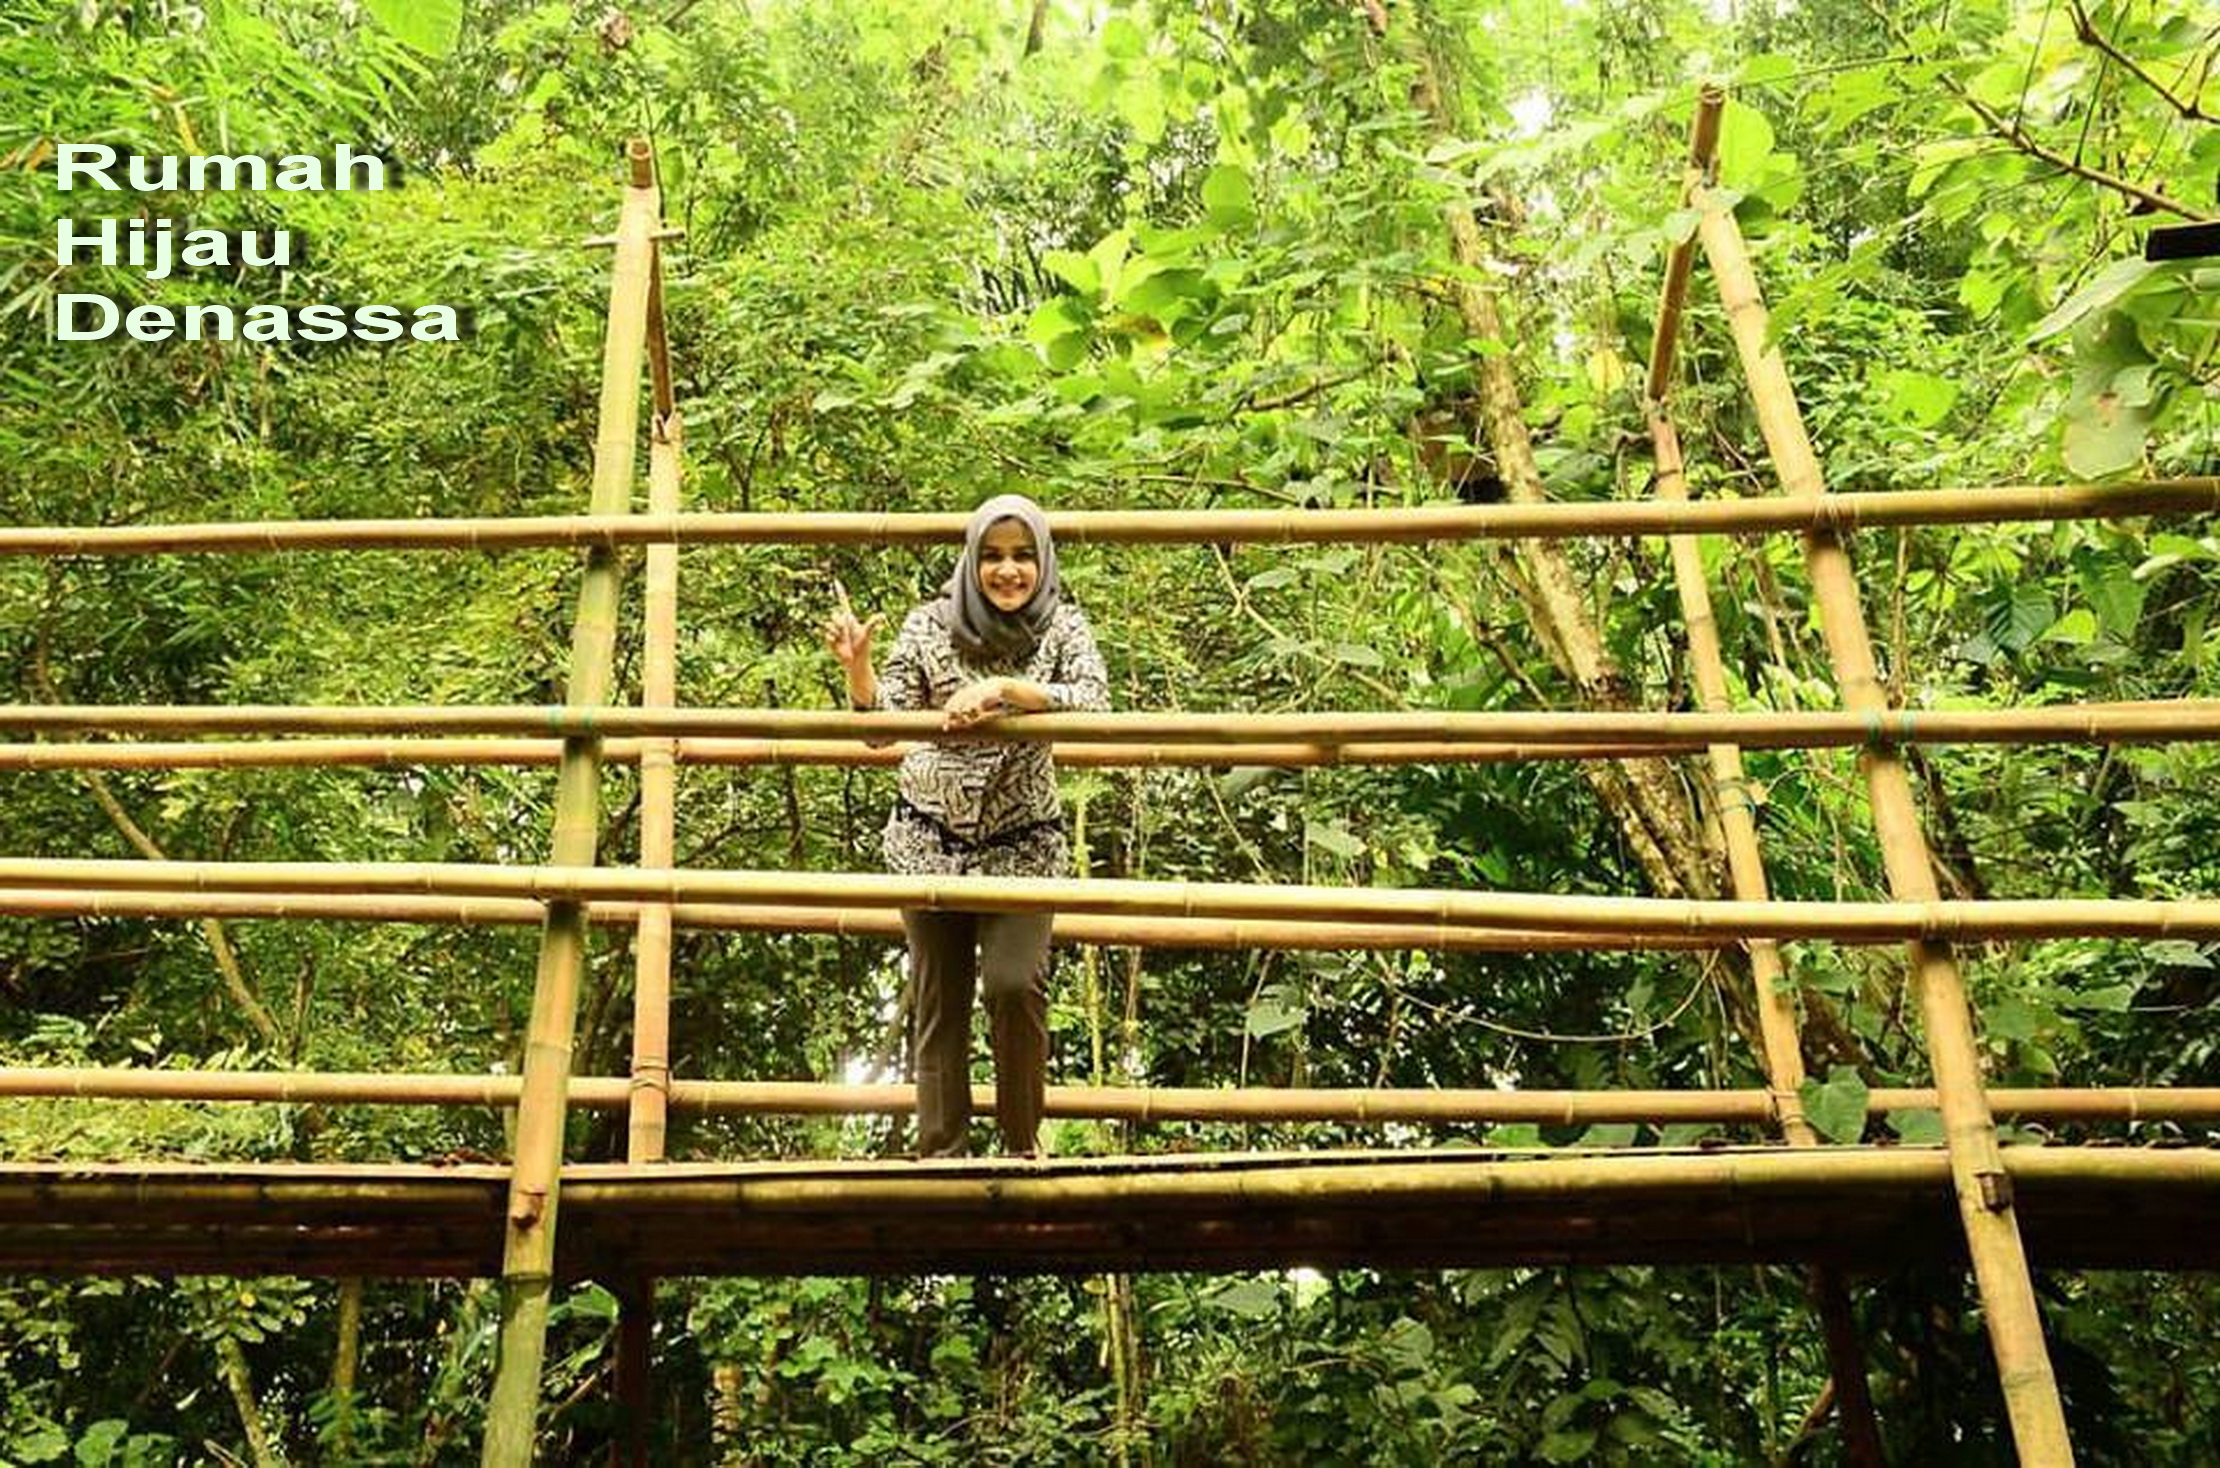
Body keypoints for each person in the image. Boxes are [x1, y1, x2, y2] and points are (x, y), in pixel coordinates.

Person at [823, 494, 1109, 1158]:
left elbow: (1094, 700)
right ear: (970, 561)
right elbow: (879, 730)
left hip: (1023, 842)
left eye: (1022, 557)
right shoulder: (929, 625)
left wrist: (1010, 690)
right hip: (927, 838)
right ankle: (941, 1154)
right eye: (992, 556)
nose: (1007, 572)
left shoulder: (1063, 628)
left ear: (1042, 562)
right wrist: (857, 669)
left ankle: (1020, 1145)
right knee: (938, 998)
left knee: (1014, 985)